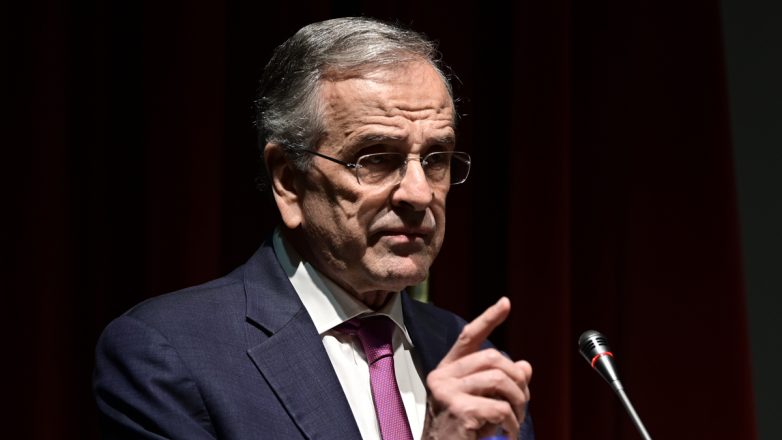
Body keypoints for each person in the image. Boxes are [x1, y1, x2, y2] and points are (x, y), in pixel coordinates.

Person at [94, 17, 534, 440]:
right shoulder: (170, 353)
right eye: (376, 158)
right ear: (288, 181)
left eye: (436, 159)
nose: (419, 194)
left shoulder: (475, 364)